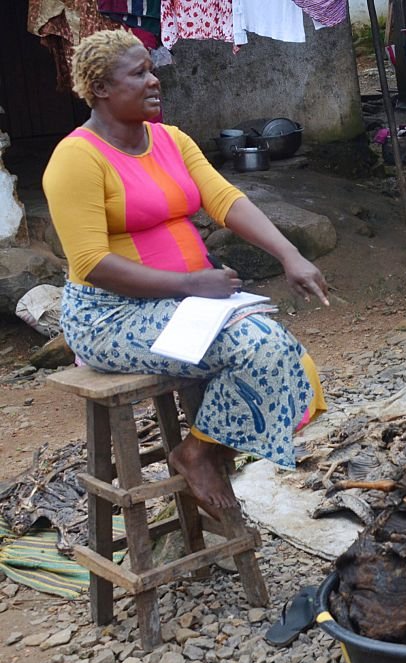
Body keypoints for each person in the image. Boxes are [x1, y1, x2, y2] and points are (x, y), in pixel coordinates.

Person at [42, 30, 329, 516]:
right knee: (263, 346)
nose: (155, 81)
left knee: (282, 355)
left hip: (183, 306)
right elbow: (91, 262)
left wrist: (289, 254)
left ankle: (202, 449)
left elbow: (226, 200)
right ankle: (198, 454)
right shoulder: (77, 159)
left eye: (152, 69)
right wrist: (190, 283)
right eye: (139, 73)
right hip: (109, 317)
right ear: (101, 89)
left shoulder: (171, 140)